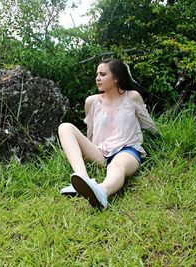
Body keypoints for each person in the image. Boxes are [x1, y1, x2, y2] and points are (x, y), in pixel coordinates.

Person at [58, 58, 159, 209]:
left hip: (127, 151)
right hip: (100, 151)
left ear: (116, 78)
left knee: (115, 166)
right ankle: (83, 179)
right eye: (97, 74)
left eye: (103, 74)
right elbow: (91, 133)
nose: (97, 78)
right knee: (65, 127)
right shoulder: (91, 101)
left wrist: (158, 137)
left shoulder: (132, 97)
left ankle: (102, 192)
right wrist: (88, 148)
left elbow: (149, 125)